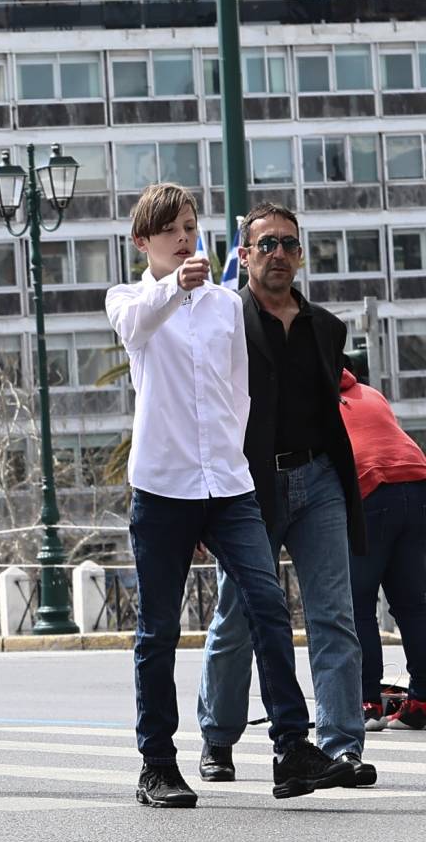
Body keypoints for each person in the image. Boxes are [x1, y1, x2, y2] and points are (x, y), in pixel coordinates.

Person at [104, 182, 352, 808]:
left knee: (268, 604)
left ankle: (292, 748)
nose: (185, 237)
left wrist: (233, 454)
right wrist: (172, 287)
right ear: (145, 242)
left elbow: (239, 390)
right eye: (170, 230)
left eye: (190, 225)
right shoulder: (131, 298)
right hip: (163, 487)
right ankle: (157, 762)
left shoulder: (223, 307)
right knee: (157, 630)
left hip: (230, 483)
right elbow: (134, 332)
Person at [195, 203, 374, 786]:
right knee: (237, 618)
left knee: (336, 617)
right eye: (266, 244)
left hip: (319, 479)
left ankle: (341, 745)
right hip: (250, 485)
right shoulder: (226, 321)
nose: (279, 254)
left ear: (300, 256)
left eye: (289, 245)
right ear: (243, 255)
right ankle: (217, 739)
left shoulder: (326, 327)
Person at [337, 368, 426, 731]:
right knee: (413, 604)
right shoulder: (370, 393)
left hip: (372, 491)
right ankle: (420, 703)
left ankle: (368, 703)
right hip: (417, 482)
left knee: (358, 605)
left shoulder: (312, 401)